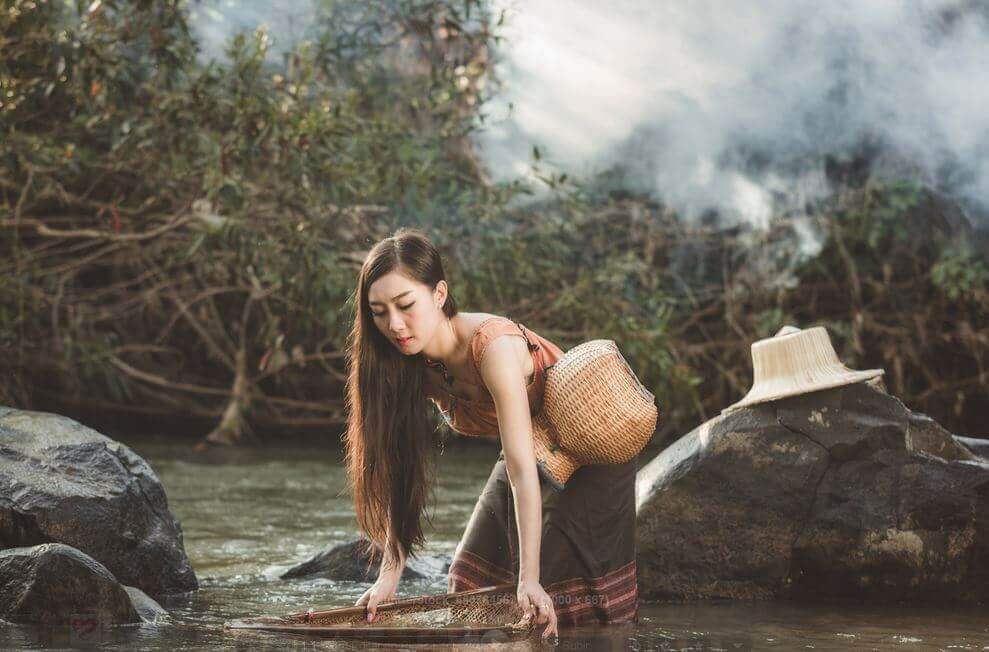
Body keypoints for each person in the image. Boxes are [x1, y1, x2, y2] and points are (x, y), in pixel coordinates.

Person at [346, 228, 638, 640]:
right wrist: (389, 575)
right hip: (530, 450)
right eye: (379, 312)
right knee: (467, 582)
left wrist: (529, 578)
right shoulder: (408, 363)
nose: (394, 324)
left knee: (565, 601)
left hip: (591, 449)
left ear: (440, 294)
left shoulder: (493, 348)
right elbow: (398, 466)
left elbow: (520, 470)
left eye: (405, 304)